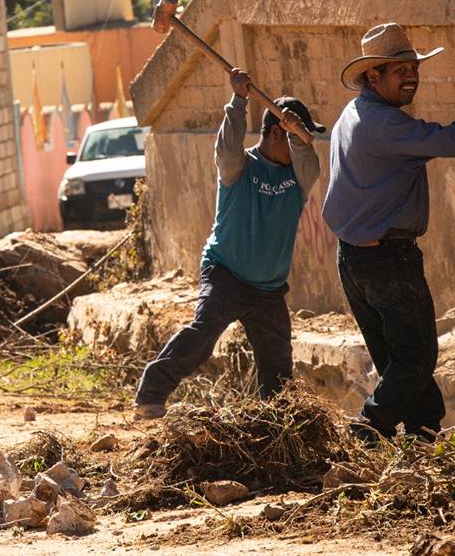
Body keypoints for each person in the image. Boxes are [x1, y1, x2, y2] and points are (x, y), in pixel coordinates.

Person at [323, 23, 455, 440]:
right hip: (386, 259)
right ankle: (367, 430)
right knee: (417, 356)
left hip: (355, 257)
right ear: (373, 75)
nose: (412, 76)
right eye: (400, 69)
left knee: (397, 359)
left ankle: (424, 435)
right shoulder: (383, 124)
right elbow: (451, 139)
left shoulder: (355, 114)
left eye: (414, 67)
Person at [133, 67, 323, 419]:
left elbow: (311, 163)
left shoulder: (298, 177)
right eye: (297, 136)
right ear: (276, 133)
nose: (304, 143)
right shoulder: (238, 166)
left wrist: (298, 136)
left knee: (276, 360)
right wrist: (237, 100)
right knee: (202, 335)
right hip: (226, 274)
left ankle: (275, 421)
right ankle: (151, 394)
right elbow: (226, 145)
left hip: (268, 289)